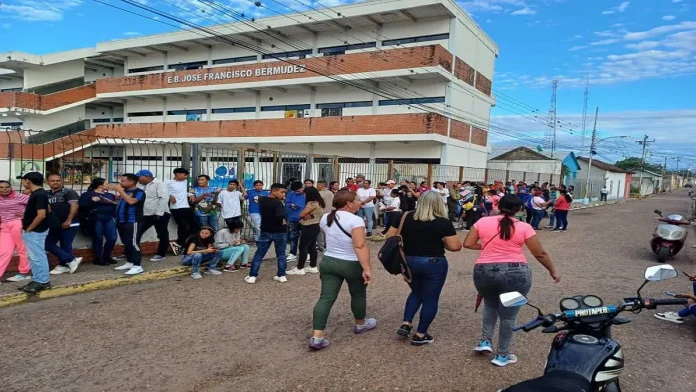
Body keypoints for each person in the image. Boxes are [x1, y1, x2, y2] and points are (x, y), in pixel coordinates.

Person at [463, 194, 560, 367]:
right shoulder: (524, 227)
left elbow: (468, 244)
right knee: (509, 315)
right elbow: (539, 253)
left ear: (499, 205)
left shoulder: (483, 222)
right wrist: (552, 271)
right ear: (520, 209)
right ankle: (502, 354)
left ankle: (485, 341)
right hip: (516, 273)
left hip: (484, 272)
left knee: (490, 305)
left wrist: (487, 246)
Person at [386, 191, 462, 346]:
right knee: (430, 298)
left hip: (410, 260)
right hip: (434, 262)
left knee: (416, 292)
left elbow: (390, 236)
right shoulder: (443, 222)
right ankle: (420, 334)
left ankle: (406, 323)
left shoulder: (405, 217)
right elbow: (455, 247)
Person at [309, 190, 376, 350]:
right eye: (358, 200)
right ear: (349, 203)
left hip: (329, 260)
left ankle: (317, 336)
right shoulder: (356, 220)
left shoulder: (326, 217)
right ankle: (360, 323)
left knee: (326, 298)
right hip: (351, 262)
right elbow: (360, 245)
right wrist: (367, 268)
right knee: (358, 293)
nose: (361, 202)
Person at [246, 183, 289, 284]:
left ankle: (252, 276)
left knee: (259, 254)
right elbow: (281, 215)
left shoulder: (262, 200)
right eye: (282, 192)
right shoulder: (278, 203)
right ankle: (282, 275)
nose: (284, 195)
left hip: (265, 230)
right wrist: (283, 220)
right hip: (279, 231)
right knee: (281, 254)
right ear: (274, 191)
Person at [19, 172, 51, 293]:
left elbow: (41, 215)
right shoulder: (38, 194)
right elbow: (47, 209)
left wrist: (29, 228)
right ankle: (37, 279)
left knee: (37, 257)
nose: (23, 183)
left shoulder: (39, 194)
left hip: (35, 231)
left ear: (28, 181)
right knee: (33, 257)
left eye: (23, 180)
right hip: (34, 230)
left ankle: (43, 281)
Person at [45, 173, 83, 275]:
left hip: (69, 223)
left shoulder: (69, 192)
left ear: (61, 181)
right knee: (47, 244)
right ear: (47, 182)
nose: (55, 182)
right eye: (52, 181)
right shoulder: (46, 193)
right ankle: (71, 260)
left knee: (65, 244)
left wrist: (69, 220)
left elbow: (74, 206)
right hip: (55, 224)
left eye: (58, 180)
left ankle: (64, 265)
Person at [111, 174, 147, 276]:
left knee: (133, 243)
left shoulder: (139, 192)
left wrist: (120, 190)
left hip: (133, 221)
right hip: (121, 221)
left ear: (131, 182)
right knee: (126, 242)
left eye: (122, 181)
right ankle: (130, 262)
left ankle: (137, 265)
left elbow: (131, 202)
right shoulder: (125, 192)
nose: (120, 183)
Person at [78, 178, 117, 266]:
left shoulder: (110, 195)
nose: (108, 185)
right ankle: (98, 257)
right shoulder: (88, 194)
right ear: (100, 186)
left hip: (109, 218)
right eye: (107, 183)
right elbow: (82, 205)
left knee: (112, 237)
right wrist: (92, 200)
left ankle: (107, 256)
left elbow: (114, 207)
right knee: (98, 237)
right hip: (96, 218)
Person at [287, 186, 326, 275]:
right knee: (311, 247)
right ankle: (313, 266)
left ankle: (299, 268)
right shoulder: (319, 202)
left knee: (303, 247)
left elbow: (301, 214)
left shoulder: (312, 203)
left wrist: (302, 214)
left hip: (309, 226)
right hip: (315, 225)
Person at [136, 170, 171, 261]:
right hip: (146, 213)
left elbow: (164, 198)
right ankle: (132, 252)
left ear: (146, 176)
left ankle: (161, 254)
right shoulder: (141, 185)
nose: (137, 179)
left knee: (162, 234)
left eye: (139, 177)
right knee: (137, 232)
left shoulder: (159, 184)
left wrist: (159, 213)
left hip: (160, 213)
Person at [0, 180, 31, 283]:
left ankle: (23, 273)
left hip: (18, 224)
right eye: (1, 187)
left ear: (11, 188)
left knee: (22, 249)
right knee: (3, 251)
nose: (4, 189)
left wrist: (25, 213)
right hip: (5, 226)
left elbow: (37, 205)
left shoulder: (18, 196)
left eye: (7, 187)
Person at [168, 168, 199, 251]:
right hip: (176, 208)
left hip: (186, 207)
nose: (186, 177)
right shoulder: (168, 183)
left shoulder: (184, 182)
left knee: (196, 225)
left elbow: (182, 192)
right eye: (184, 175)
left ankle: (191, 243)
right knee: (182, 227)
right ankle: (181, 245)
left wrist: (190, 194)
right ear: (177, 174)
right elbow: (162, 192)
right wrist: (170, 195)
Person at [285, 181, 305, 261]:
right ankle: (293, 253)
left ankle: (305, 253)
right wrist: (290, 205)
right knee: (293, 236)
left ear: (302, 187)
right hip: (293, 217)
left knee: (305, 237)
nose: (297, 192)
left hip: (304, 218)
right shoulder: (291, 194)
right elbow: (287, 202)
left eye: (298, 190)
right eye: (295, 191)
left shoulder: (307, 194)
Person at [316, 180, 334, 252]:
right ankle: (327, 244)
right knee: (327, 230)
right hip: (329, 213)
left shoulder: (320, 193)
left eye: (317, 185)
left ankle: (321, 245)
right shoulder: (331, 193)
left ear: (321, 185)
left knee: (319, 230)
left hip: (321, 214)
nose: (317, 186)